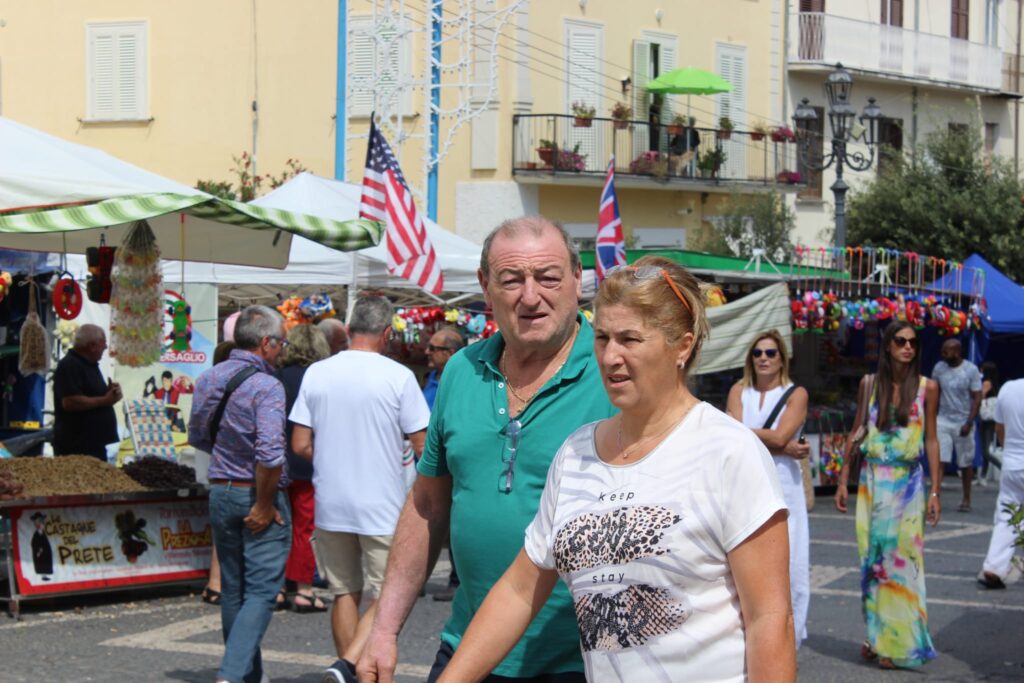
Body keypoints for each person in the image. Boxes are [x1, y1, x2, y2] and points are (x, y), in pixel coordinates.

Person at [437, 256, 795, 683]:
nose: (610, 356)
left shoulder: (727, 450)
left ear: (681, 347)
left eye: (630, 339)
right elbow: (519, 589)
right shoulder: (575, 453)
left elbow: (770, 618)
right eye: (603, 337)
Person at [358, 217, 616, 683]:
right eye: (512, 280)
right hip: (468, 649)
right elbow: (427, 506)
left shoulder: (616, 375)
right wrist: (383, 627)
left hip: (583, 663)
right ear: (485, 286)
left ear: (579, 280)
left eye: (548, 277)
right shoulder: (462, 370)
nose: (531, 296)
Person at [290, 294, 431, 683]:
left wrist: (334, 456)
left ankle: (346, 671)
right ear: (386, 333)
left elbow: (300, 444)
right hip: (381, 501)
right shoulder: (398, 376)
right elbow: (424, 447)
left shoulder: (317, 373)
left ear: (349, 330)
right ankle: (348, 667)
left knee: (344, 593)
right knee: (389, 595)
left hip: (331, 498)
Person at [189, 305, 291, 683]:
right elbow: (270, 453)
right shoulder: (266, 385)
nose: (282, 349)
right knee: (262, 592)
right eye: (280, 342)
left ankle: (248, 676)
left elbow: (198, 434)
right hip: (256, 493)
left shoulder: (209, 377)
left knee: (233, 589)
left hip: (221, 489)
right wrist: (265, 504)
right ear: (265, 342)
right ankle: (231, 676)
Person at [834, 321, 941, 670]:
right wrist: (843, 478)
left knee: (905, 564)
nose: (907, 347)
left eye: (912, 342)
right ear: (888, 346)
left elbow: (931, 440)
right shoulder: (869, 384)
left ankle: (901, 644)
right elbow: (857, 430)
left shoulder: (928, 388)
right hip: (873, 483)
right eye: (900, 341)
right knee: (874, 562)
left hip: (908, 485)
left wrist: (936, 491)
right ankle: (878, 638)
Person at [726, 329, 811, 649]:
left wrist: (774, 440)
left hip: (785, 489)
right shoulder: (739, 389)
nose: (763, 358)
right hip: (745, 485)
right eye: (757, 353)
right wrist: (780, 443)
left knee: (794, 568)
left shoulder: (795, 394)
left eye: (770, 353)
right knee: (745, 567)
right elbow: (775, 439)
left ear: (781, 359)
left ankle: (790, 639)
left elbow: (777, 435)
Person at [277, 324, 331, 613]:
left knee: (278, 527)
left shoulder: (277, 376)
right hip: (309, 460)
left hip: (276, 461)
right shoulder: (321, 379)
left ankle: (276, 588)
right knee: (305, 528)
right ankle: (303, 589)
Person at [422, 327, 467, 603]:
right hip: (428, 461)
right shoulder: (431, 379)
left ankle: (457, 579)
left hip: (452, 462)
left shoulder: (463, 380)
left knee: (456, 521)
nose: (428, 352)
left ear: (450, 353)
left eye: (434, 348)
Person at [978, 376, 1024, 589]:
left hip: (1013, 463)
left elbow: (999, 428)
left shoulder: (1008, 388)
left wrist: (1012, 452)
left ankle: (994, 566)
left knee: (1007, 515)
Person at [52, 324, 122, 460]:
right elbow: (70, 402)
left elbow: (88, 394)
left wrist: (110, 393)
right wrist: (105, 400)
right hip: (76, 447)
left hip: (93, 445)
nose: (106, 347)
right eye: (103, 343)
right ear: (92, 346)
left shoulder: (89, 364)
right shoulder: (70, 365)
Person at [201, 340, 237, 607]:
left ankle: (215, 583)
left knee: (222, 530)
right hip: (241, 472)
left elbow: (197, 430)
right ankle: (226, 584)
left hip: (216, 466)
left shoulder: (208, 383)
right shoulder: (251, 386)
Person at [932, 338, 982, 512]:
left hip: (963, 420)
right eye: (943, 350)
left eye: (947, 351)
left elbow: (977, 397)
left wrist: (969, 422)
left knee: (965, 462)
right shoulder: (939, 368)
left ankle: (966, 497)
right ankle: (935, 496)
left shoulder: (970, 370)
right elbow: (934, 392)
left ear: (957, 351)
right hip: (943, 419)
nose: (943, 354)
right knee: (940, 459)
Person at [978, 361, 1001, 486]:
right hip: (992, 419)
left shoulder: (986, 383)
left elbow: (981, 396)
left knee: (986, 451)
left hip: (986, 419)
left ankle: (1003, 468)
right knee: (985, 449)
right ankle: (983, 477)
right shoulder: (996, 384)